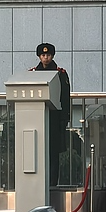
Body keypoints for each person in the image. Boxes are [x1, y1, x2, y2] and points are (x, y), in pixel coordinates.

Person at [29, 42, 70, 187]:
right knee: (36, 149)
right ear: (39, 56)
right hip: (37, 117)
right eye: (43, 55)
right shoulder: (32, 73)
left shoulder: (60, 74)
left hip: (55, 118)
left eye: (48, 55)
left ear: (52, 56)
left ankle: (53, 182)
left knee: (53, 152)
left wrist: (65, 119)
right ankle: (37, 183)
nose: (45, 58)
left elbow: (65, 97)